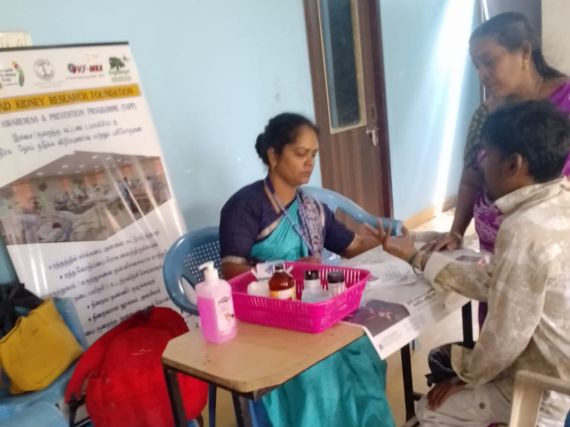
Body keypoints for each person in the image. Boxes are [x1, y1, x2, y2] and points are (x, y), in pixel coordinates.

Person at [370, 101, 570, 426]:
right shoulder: (560, 200)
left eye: (486, 155)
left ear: (513, 164)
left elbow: (506, 336)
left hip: (545, 389)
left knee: (431, 410)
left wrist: (465, 378)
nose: (481, 164)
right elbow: (494, 281)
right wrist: (416, 257)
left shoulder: (523, 228)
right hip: (556, 369)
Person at [426, 12, 570, 326]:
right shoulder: (485, 114)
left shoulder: (566, 101)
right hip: (494, 258)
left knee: (542, 337)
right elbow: (470, 178)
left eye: (489, 62)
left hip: (551, 262)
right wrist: (456, 231)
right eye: (476, 66)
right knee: (498, 332)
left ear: (525, 52)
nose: (482, 74)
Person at [220, 112, 380, 279]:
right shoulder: (245, 205)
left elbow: (354, 246)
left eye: (313, 154)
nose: (310, 163)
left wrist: (386, 242)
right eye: (301, 153)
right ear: (273, 156)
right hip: (263, 294)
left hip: (310, 291)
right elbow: (232, 270)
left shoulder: (311, 208)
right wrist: (290, 270)